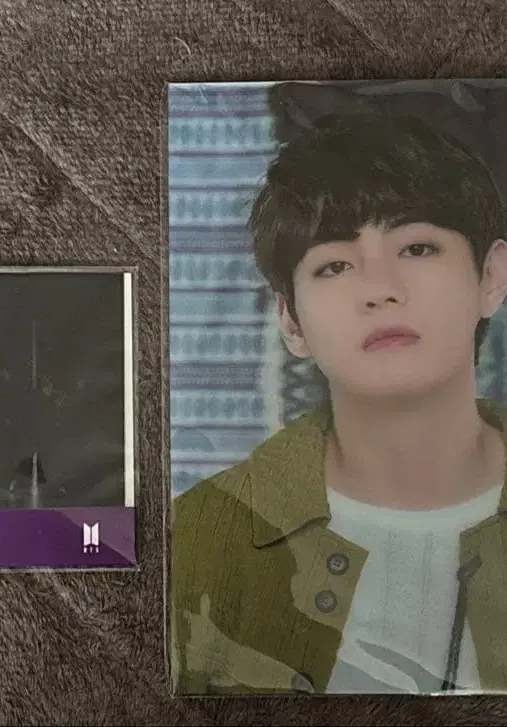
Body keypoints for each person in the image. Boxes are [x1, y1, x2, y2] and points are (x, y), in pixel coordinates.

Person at [170, 113, 507, 696]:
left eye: (417, 247)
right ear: (291, 321)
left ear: (491, 276)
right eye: (334, 265)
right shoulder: (197, 539)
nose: (380, 288)